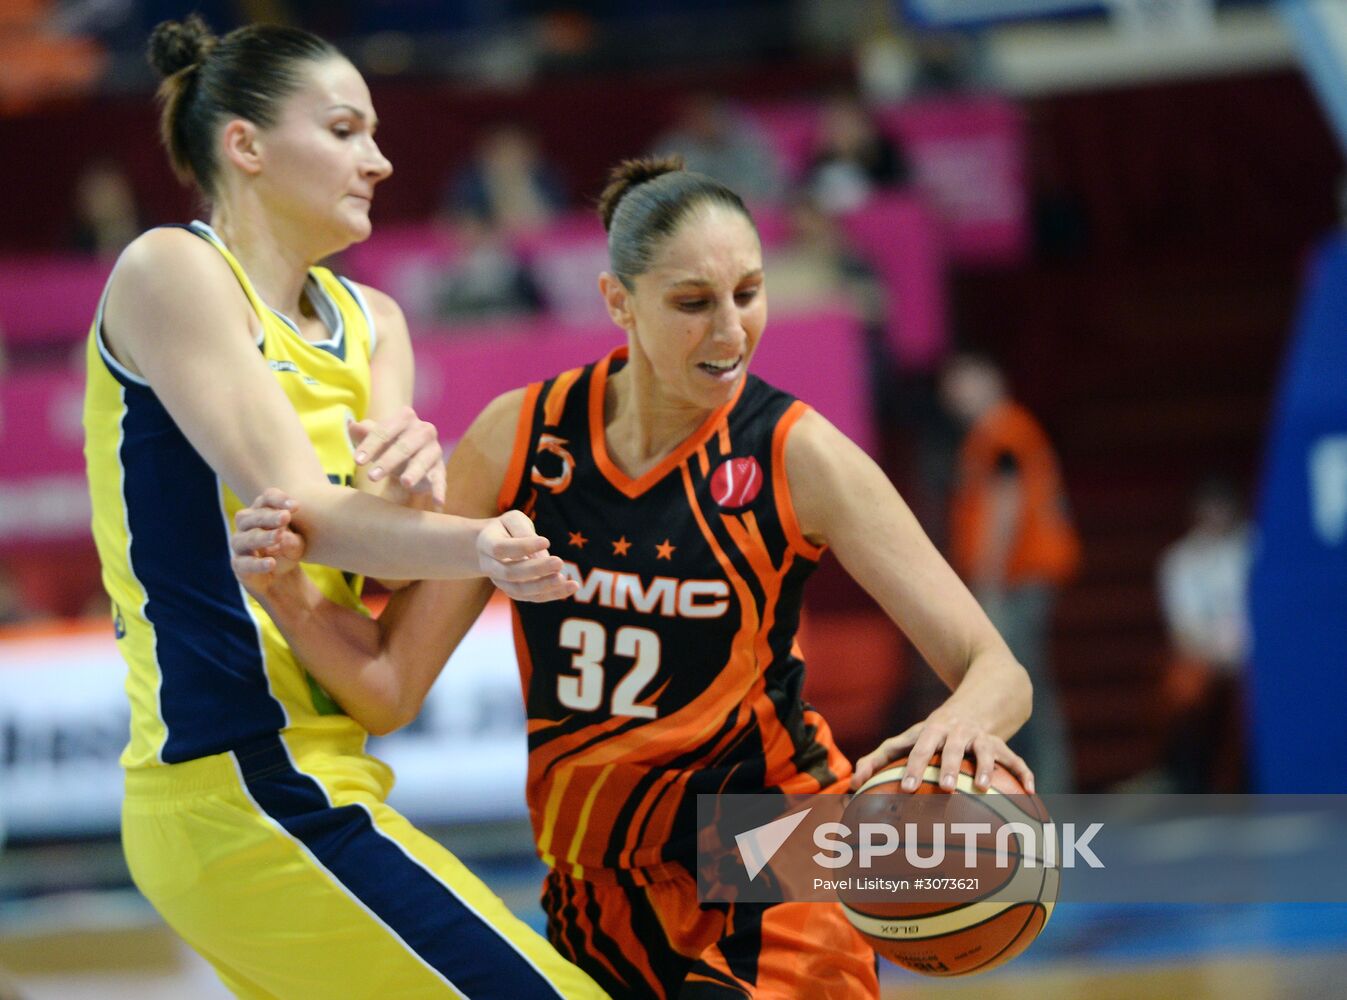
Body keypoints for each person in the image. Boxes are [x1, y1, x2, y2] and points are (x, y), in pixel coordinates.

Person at [232, 158, 1035, 999]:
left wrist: (956, 727)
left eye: (748, 293)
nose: (730, 332)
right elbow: (389, 689)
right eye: (692, 303)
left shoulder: (798, 454)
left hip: (764, 850)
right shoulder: (519, 437)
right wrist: (287, 594)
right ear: (618, 301)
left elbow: (996, 669)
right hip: (588, 884)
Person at [84, 15, 603, 999]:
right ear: (246, 146)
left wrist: (406, 497)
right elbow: (304, 504)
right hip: (234, 782)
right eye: (344, 130)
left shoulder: (376, 322)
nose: (380, 158)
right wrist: (483, 543)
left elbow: (375, 568)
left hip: (329, 770)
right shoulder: (172, 270)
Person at [940, 352, 1080, 794]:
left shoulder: (1003, 431)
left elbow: (1005, 506)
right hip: (1017, 579)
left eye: (964, 381)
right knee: (1026, 683)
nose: (954, 394)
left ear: (991, 379)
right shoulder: (995, 433)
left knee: (1019, 687)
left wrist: (988, 584)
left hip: (1016, 581)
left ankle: (1041, 789)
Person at [1157, 475, 1251, 792]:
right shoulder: (1178, 560)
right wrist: (1216, 655)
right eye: (1209, 508)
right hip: (1202, 656)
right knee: (1183, 691)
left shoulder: (1254, 551)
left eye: (1222, 508)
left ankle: (1254, 779)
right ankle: (1190, 781)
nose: (1216, 516)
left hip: (1252, 658)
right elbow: (1183, 628)